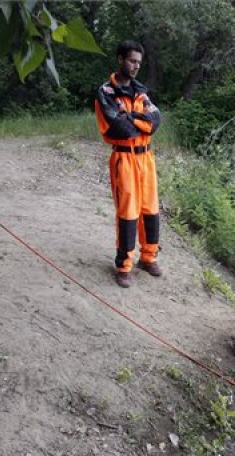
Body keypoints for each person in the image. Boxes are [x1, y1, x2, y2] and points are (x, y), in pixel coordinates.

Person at [94, 40, 162, 288]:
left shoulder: (141, 91)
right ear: (120, 59)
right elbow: (119, 128)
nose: (135, 66)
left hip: (146, 159)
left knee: (150, 209)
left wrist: (131, 116)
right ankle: (124, 265)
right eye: (132, 61)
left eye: (139, 63)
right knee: (128, 212)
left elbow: (156, 121)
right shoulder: (106, 92)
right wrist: (138, 120)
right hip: (124, 158)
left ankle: (149, 257)